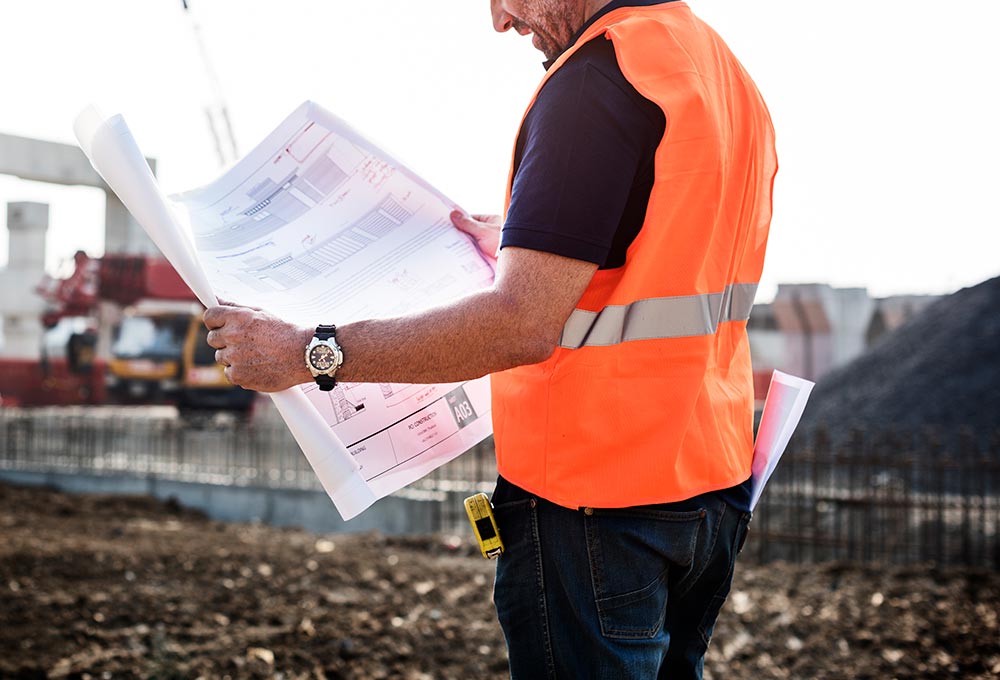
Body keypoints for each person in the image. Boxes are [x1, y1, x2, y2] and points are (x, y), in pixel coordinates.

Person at [204, 0, 776, 677]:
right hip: (708, 489)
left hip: (596, 503)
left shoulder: (593, 81)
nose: (501, 20)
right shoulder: (717, 70)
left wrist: (307, 351)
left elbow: (520, 324)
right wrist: (538, 239)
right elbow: (667, 248)